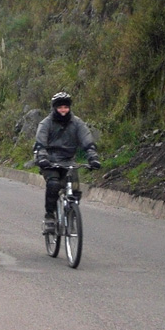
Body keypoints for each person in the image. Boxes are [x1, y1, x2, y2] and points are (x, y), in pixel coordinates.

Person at [34, 92, 101, 234]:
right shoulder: (46, 123)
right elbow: (40, 144)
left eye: (66, 107)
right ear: (54, 108)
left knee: (75, 189)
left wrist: (93, 157)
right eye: (60, 107)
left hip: (68, 161)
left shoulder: (77, 123)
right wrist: (43, 158)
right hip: (49, 161)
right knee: (53, 184)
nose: (63, 110)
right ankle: (50, 218)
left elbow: (87, 141)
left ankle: (72, 216)